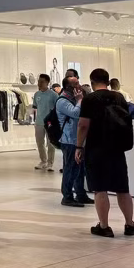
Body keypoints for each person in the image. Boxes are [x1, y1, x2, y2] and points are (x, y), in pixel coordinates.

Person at [76, 68, 134, 238]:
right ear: (108, 81)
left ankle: (104, 226)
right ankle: (130, 224)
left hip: (96, 148)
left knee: (100, 188)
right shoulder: (119, 97)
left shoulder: (89, 99)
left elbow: (83, 125)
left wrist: (79, 146)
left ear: (92, 82)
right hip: (117, 148)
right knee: (122, 188)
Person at [57, 76, 91, 207]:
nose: (79, 86)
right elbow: (76, 113)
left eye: (78, 82)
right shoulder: (62, 101)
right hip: (69, 140)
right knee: (70, 169)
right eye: (76, 84)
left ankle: (81, 194)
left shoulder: (74, 98)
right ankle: (67, 197)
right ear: (68, 87)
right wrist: (80, 100)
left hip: (78, 139)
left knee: (80, 169)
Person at [32, 74, 58, 172]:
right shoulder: (37, 94)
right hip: (39, 122)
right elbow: (35, 108)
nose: (39, 83)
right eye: (39, 81)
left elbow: (57, 108)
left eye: (41, 81)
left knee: (51, 143)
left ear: (47, 82)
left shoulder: (53, 95)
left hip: (50, 122)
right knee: (40, 142)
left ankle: (50, 163)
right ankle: (43, 161)